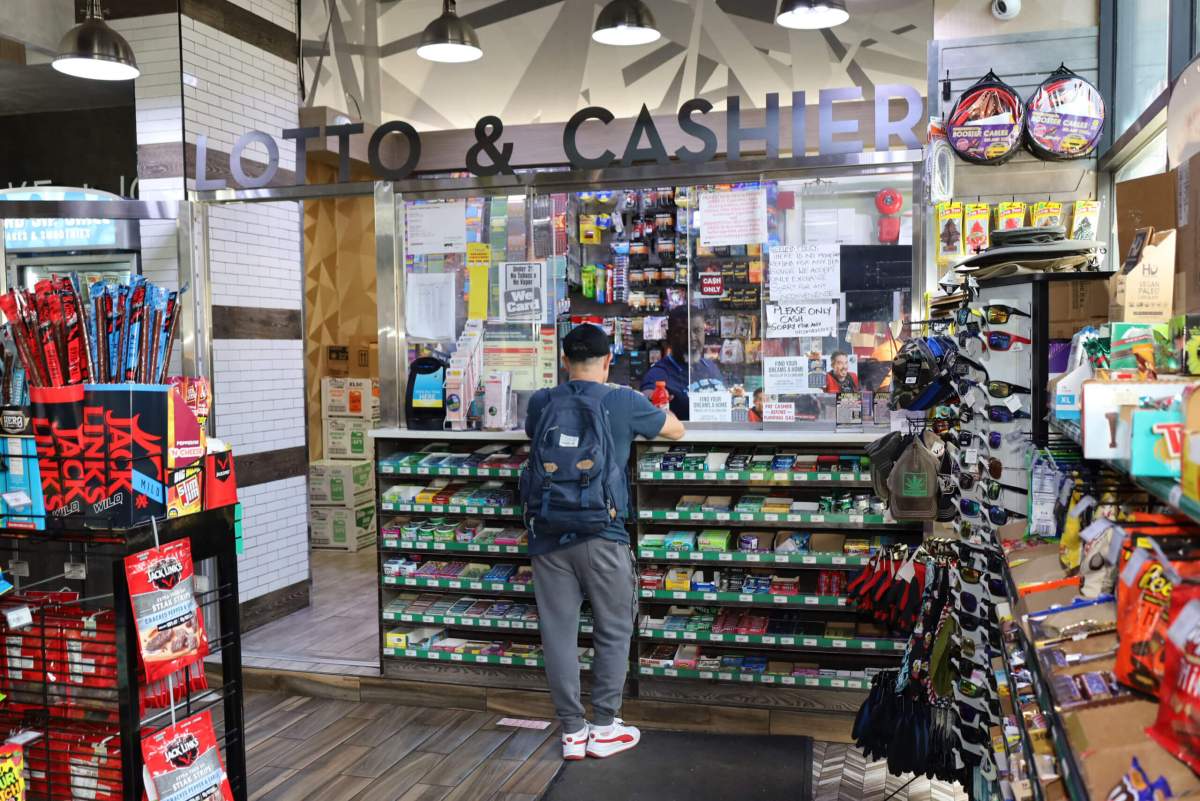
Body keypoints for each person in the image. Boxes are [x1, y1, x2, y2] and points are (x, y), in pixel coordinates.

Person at [524, 323, 685, 760]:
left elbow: (531, 435)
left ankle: (572, 732)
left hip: (549, 535)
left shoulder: (542, 401)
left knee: (557, 632)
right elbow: (676, 431)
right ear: (608, 360)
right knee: (612, 629)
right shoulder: (622, 400)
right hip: (603, 534)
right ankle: (604, 725)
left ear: (564, 361)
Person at [640, 306, 724, 420]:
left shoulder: (710, 366)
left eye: (697, 330)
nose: (691, 338)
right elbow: (646, 397)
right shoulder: (659, 373)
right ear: (669, 336)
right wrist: (651, 400)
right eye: (682, 331)